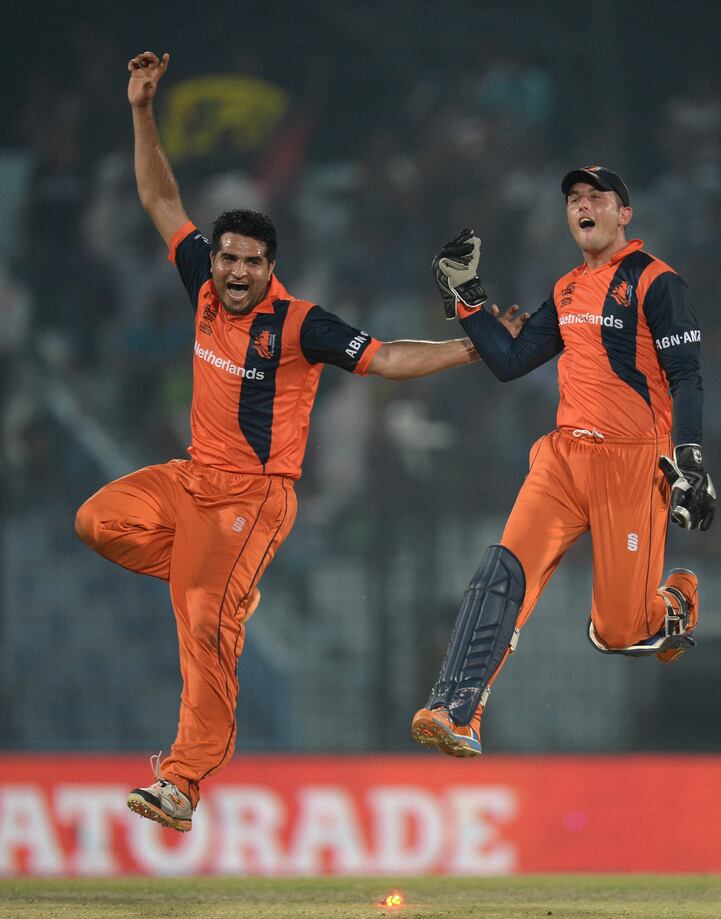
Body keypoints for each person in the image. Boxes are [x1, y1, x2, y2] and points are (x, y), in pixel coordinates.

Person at [74, 51, 481, 832]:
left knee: (201, 619)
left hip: (254, 497)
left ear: (270, 268)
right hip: (190, 480)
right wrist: (140, 109)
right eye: (225, 258)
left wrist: (469, 346)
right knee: (97, 521)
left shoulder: (301, 323)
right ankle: (226, 587)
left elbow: (388, 357)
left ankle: (183, 782)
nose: (232, 271)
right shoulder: (199, 277)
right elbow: (159, 195)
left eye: (248, 263)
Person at [412, 165, 716, 758]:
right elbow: (511, 361)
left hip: (632, 466)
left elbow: (686, 376)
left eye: (596, 197)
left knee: (618, 632)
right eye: (574, 199)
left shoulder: (657, 283)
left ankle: (674, 603)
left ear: (623, 213)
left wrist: (692, 460)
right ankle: (456, 712)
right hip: (563, 457)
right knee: (504, 573)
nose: (583, 205)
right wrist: (466, 297)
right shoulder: (568, 288)